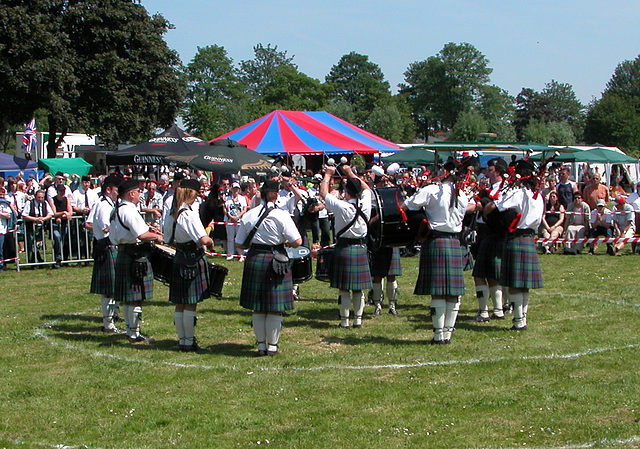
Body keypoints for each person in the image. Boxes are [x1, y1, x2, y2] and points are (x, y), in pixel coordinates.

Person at [403, 160, 471, 344]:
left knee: (438, 292)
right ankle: (447, 335)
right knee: (452, 292)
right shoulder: (463, 195)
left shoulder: (431, 190)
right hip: (455, 242)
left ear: (445, 171)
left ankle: (437, 335)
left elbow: (407, 206)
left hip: (436, 241)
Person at [235, 180, 302, 356]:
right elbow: (298, 242)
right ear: (276, 195)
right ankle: (272, 347)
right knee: (274, 306)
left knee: (258, 306)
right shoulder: (281, 215)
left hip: (256, 258)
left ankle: (261, 346)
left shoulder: (249, 214)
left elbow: (239, 244)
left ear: (262, 194)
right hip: (276, 259)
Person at [484, 159, 544, 331]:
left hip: (516, 238)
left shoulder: (518, 193)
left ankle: (518, 321)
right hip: (529, 239)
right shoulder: (538, 195)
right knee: (524, 283)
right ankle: (522, 319)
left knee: (514, 283)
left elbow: (493, 205)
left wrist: (487, 216)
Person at [163, 179, 215, 352]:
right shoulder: (189, 214)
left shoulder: (172, 213)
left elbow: (168, 239)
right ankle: (189, 341)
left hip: (179, 256)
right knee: (191, 303)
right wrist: (211, 242)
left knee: (180, 302)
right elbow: (203, 239)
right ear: (192, 193)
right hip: (192, 259)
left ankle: (182, 340)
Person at [109, 179, 163, 343]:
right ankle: (134, 333)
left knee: (128, 298)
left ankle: (130, 331)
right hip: (135, 255)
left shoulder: (117, 210)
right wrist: (158, 236)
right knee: (135, 297)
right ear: (131, 194)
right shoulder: (130, 211)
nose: (140, 194)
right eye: (139, 192)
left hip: (124, 252)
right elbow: (142, 235)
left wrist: (147, 228)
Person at [319, 164, 372, 329]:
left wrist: (328, 175)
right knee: (358, 289)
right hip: (361, 248)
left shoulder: (342, 206)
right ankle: (358, 320)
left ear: (346, 192)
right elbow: (368, 189)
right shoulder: (365, 203)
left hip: (344, 249)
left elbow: (323, 193)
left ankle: (344, 321)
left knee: (344, 288)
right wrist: (350, 173)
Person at [471, 157, 509, 322]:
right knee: (488, 274)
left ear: (499, 172)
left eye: (490, 170)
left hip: (492, 232)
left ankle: (486, 311)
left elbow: (493, 208)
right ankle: (496, 310)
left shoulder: (503, 189)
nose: (487, 172)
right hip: (484, 232)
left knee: (483, 274)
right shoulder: (489, 189)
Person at [86, 175, 124, 333]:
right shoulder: (103, 206)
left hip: (112, 246)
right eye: (117, 190)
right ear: (108, 190)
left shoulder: (111, 205)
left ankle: (113, 317)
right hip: (106, 247)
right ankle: (108, 324)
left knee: (113, 287)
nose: (119, 194)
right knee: (108, 289)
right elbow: (106, 229)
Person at [369, 169, 402, 317]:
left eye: (387, 180)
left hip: (393, 238)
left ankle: (392, 305)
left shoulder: (395, 196)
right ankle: (377, 304)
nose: (386, 182)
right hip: (378, 239)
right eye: (383, 180)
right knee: (377, 275)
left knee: (391, 275)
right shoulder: (372, 197)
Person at [21, 190, 54, 264]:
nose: (40, 199)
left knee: (38, 245)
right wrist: (35, 219)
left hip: (41, 228)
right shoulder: (29, 203)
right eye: (39, 197)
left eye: (42, 197)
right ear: (35, 196)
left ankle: (37, 259)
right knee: (31, 244)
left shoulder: (45, 203)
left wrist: (43, 219)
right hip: (30, 227)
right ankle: (34, 260)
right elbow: (24, 215)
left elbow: (50, 214)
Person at [223, 182, 248, 260]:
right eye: (234, 189)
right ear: (232, 189)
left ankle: (240, 255)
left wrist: (237, 216)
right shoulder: (228, 198)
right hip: (229, 220)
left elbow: (244, 209)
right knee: (230, 238)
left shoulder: (242, 198)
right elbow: (224, 208)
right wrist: (230, 216)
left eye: (237, 189)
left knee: (239, 238)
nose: (235, 190)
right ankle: (230, 254)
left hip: (239, 220)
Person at [51, 184, 73, 268]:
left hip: (64, 223)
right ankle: (58, 258)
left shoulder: (66, 199)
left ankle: (62, 259)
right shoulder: (52, 200)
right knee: (57, 238)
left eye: (63, 190)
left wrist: (62, 215)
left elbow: (70, 212)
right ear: (57, 191)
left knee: (63, 241)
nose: (62, 192)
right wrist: (63, 213)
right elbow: (54, 213)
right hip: (54, 224)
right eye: (60, 190)